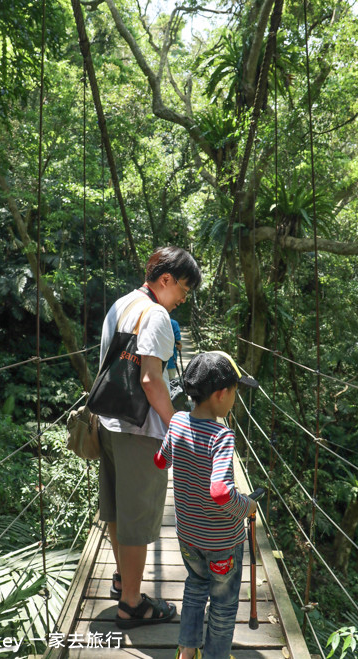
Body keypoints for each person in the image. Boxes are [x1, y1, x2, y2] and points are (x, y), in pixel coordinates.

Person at [97, 246, 201, 629]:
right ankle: (132, 604)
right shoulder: (156, 314)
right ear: (165, 280)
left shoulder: (121, 303)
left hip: (109, 422)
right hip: (140, 431)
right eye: (184, 290)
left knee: (115, 510)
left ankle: (123, 580)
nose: (183, 300)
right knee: (137, 518)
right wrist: (177, 424)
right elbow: (150, 379)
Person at [154, 351, 259, 659]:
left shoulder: (177, 423)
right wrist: (247, 507)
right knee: (224, 605)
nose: (234, 400)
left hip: (188, 537)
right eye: (235, 393)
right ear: (221, 394)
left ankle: (186, 651)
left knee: (196, 587)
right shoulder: (222, 436)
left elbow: (160, 460)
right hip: (222, 543)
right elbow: (220, 492)